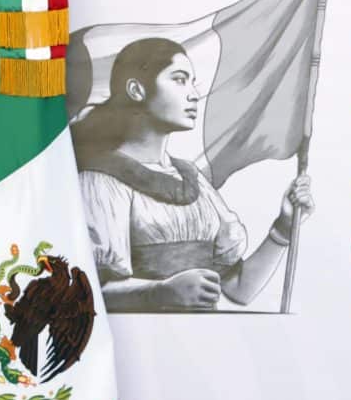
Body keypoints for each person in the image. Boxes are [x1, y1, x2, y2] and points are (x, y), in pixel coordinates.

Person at [72, 37, 313, 312]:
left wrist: (283, 227)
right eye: (179, 79)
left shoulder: (193, 179)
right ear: (136, 89)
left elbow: (239, 290)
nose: (193, 94)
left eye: (192, 81)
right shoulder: (101, 180)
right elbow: (85, 292)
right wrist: (159, 293)